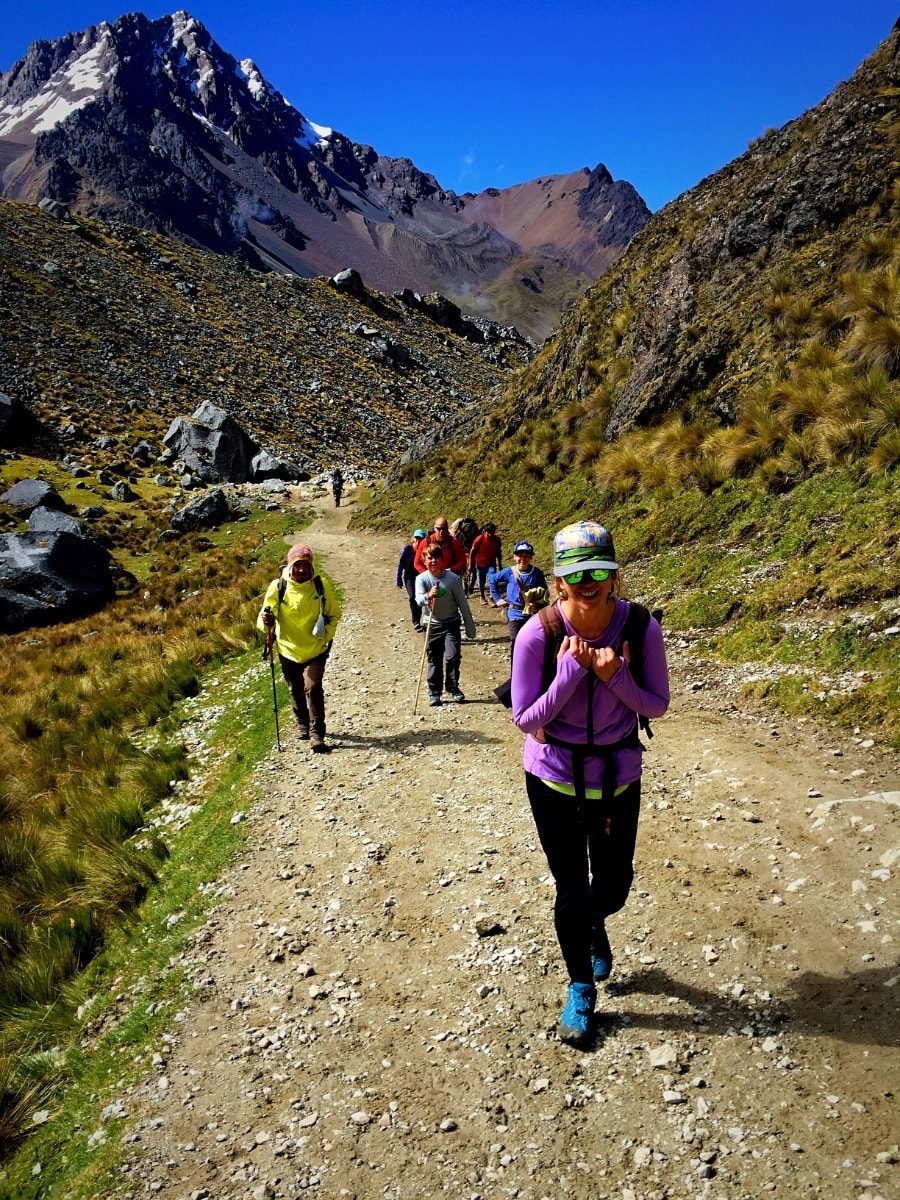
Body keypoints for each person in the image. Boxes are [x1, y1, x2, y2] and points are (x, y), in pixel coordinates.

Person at [510, 521, 669, 1045]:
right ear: (559, 582)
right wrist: (570, 677)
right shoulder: (539, 633)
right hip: (553, 777)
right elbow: (526, 719)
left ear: (614, 575)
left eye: (599, 570)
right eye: (577, 573)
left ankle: (593, 922)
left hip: (618, 777)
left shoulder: (640, 627)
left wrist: (615, 677)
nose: (589, 581)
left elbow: (657, 705)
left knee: (615, 885)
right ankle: (580, 986)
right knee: (571, 889)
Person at [258, 544, 342, 753]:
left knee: (312, 687)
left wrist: (326, 637)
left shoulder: (321, 586)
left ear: (311, 566)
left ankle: (317, 735)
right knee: (295, 688)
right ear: (290, 566)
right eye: (297, 566)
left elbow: (334, 615)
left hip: (316, 648)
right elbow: (266, 618)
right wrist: (267, 621)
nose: (302, 570)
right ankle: (302, 723)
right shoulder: (278, 587)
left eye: (306, 565)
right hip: (288, 649)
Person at [414, 543, 476, 706]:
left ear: (442, 560)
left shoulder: (453, 579)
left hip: (451, 623)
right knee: (434, 658)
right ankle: (435, 692)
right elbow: (418, 600)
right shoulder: (421, 579)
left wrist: (470, 627)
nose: (433, 561)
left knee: (452, 656)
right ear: (424, 560)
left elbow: (463, 603)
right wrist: (428, 595)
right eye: (429, 558)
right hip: (432, 624)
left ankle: (453, 687)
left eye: (436, 557)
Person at [490, 540, 548, 659]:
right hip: (514, 614)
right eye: (519, 556)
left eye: (526, 556)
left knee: (531, 643)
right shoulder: (509, 572)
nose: (523, 559)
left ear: (531, 557)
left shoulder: (537, 573)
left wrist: (536, 605)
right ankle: (515, 674)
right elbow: (493, 580)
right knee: (516, 642)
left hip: (531, 615)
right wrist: (497, 599)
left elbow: (545, 593)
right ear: (514, 557)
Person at [397, 529, 426, 631]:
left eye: (420, 539)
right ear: (413, 539)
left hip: (421, 577)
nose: (418, 541)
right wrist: (399, 578)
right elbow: (401, 564)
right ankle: (416, 621)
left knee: (421, 598)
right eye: (417, 538)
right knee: (412, 597)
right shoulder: (408, 549)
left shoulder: (425, 550)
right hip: (409, 577)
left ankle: (421, 620)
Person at [469, 523, 502, 604]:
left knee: (492, 579)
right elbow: (472, 551)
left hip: (491, 563)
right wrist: (471, 564)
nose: (490, 534)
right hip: (480, 564)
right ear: (485, 531)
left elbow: (498, 553)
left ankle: (491, 597)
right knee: (481, 581)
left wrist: (500, 564)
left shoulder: (496, 540)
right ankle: (482, 596)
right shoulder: (480, 539)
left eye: (492, 532)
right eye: (488, 532)